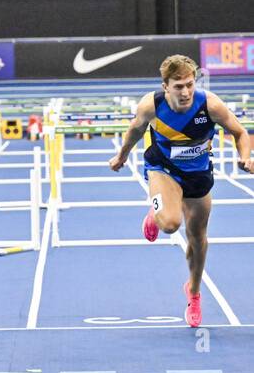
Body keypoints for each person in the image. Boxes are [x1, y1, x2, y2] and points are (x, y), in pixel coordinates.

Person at [108, 55, 253, 327]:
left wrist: (246, 157)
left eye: (189, 84)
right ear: (166, 86)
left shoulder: (210, 105)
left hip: (198, 175)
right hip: (163, 168)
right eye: (178, 86)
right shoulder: (151, 105)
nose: (185, 92)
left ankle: (194, 293)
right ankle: (158, 210)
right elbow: (135, 129)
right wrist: (122, 155)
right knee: (171, 224)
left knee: (197, 239)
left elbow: (240, 133)